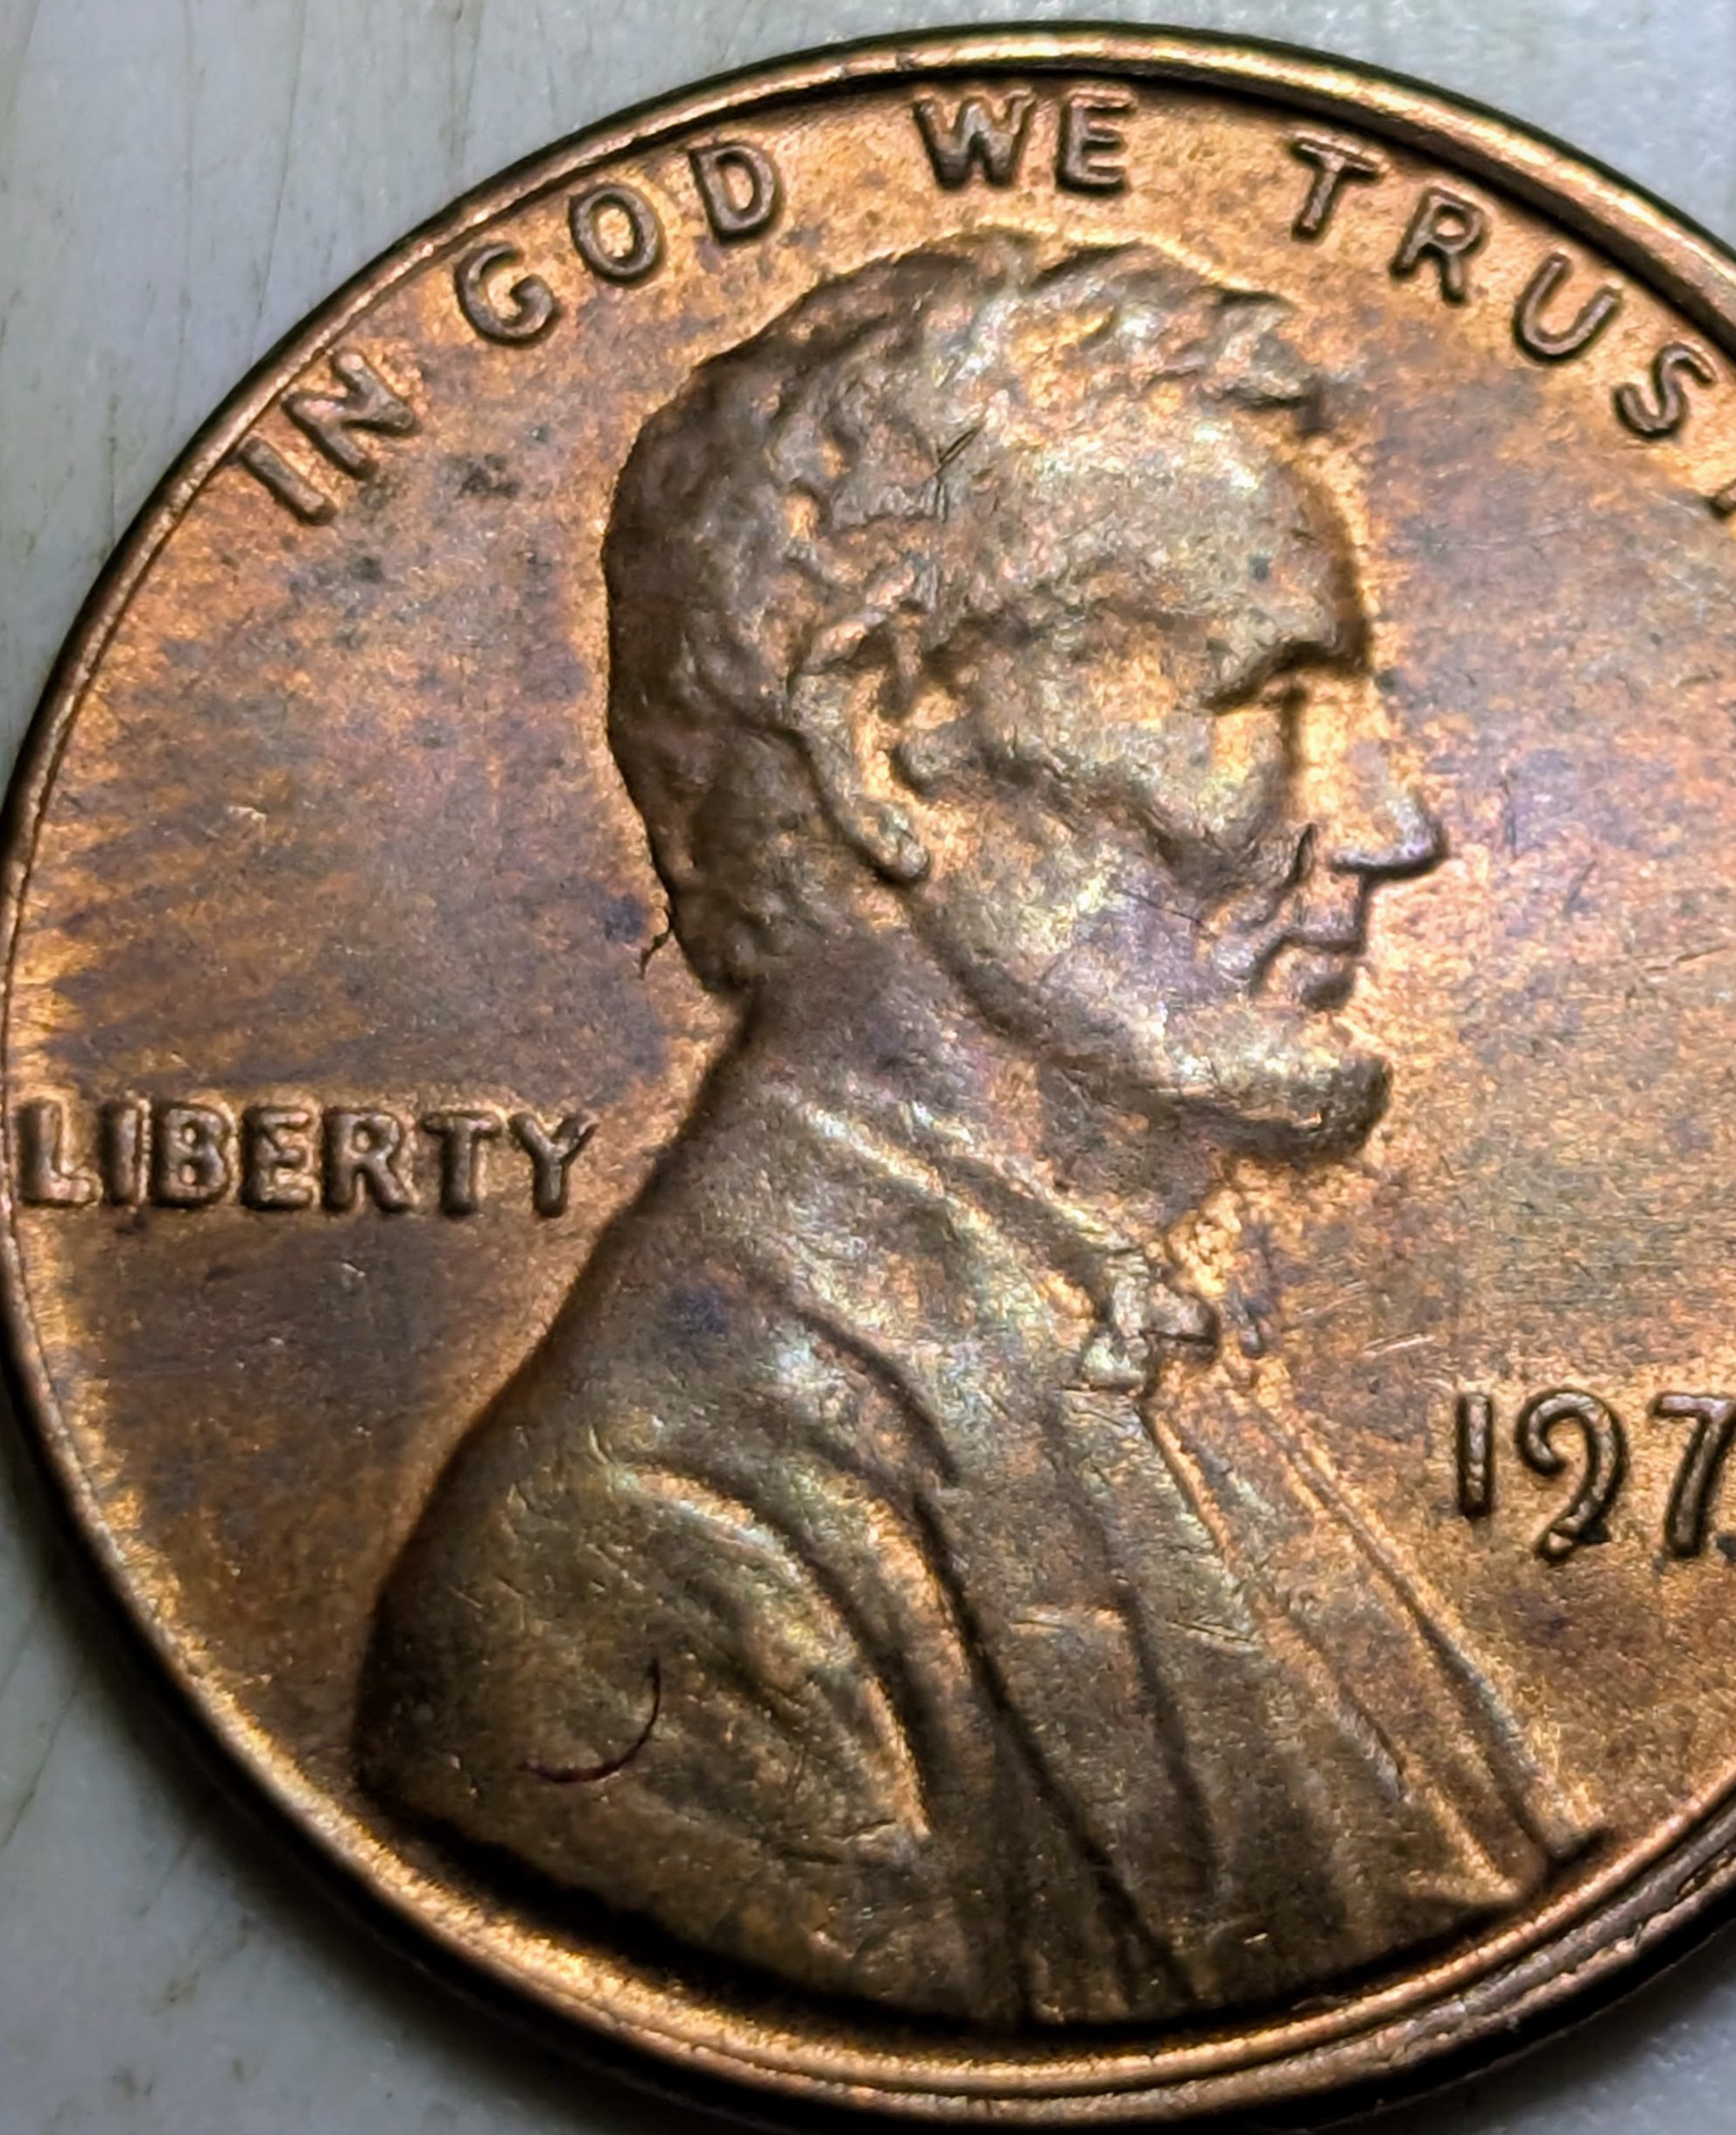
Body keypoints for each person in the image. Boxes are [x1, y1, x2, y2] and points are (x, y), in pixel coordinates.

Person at [358, 233, 1585, 2027]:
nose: (1388, 827)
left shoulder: (1129, 1363)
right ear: (886, 749)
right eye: (1262, 699)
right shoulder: (652, 1560)